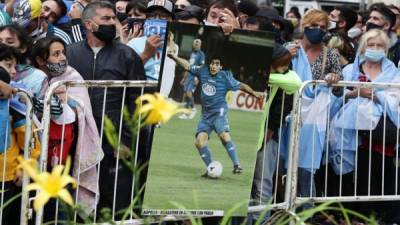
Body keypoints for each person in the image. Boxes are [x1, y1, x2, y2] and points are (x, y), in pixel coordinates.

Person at [65, 1, 146, 215]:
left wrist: (127, 141)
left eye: (113, 18)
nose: (112, 23)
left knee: (113, 207)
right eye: (106, 19)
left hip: (115, 144)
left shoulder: (127, 55)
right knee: (77, 206)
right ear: (89, 24)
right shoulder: (69, 54)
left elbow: (138, 103)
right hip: (76, 142)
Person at [330, 29, 400, 224]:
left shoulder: (393, 73)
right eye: (371, 45)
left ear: (386, 49)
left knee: (372, 176)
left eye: (379, 46)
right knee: (348, 176)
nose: (375, 49)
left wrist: (375, 95)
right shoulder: (349, 70)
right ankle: (345, 215)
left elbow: (395, 101)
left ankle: (366, 215)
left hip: (378, 135)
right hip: (348, 132)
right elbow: (335, 99)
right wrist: (353, 95)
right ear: (363, 46)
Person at [32, 36, 103, 218]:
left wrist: (66, 100)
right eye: (56, 54)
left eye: (63, 53)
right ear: (40, 60)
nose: (62, 58)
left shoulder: (72, 77)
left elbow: (81, 108)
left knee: (58, 203)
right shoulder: (33, 79)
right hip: (33, 151)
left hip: (62, 151)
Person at [168, 52, 263, 175]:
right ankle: (211, 168)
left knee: (223, 135)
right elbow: (187, 65)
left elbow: (242, 86)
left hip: (219, 112)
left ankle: (237, 165)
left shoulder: (225, 77)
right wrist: (174, 57)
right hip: (206, 116)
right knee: (199, 143)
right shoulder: (202, 71)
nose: (214, 66)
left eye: (217, 64)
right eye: (212, 63)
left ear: (221, 66)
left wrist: (254, 94)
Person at [289, 9, 342, 200]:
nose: (318, 30)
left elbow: (339, 90)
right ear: (304, 26)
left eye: (323, 27)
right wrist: (284, 54)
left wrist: (335, 80)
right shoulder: (290, 49)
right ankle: (281, 208)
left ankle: (306, 211)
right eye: (314, 26)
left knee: (306, 167)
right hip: (287, 113)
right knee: (282, 164)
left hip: (314, 120)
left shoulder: (332, 55)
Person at [248, 45, 302, 224]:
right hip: (247, 134)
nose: (287, 67)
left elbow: (295, 83)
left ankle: (261, 222)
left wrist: (268, 78)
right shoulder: (256, 73)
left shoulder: (284, 76)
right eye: (283, 64)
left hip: (268, 135)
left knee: (262, 183)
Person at [0, 43, 40, 225]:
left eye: (15, 66)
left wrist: (25, 167)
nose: (14, 72)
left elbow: (30, 141)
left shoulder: (17, 99)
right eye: (8, 65)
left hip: (6, 175)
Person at [126, 0, 173, 81]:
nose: (157, 19)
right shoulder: (133, 44)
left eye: (163, 16)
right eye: (151, 16)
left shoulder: (175, 47)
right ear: (146, 18)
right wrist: (145, 54)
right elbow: (123, 73)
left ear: (172, 20)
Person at [179, 39, 204, 119]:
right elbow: (188, 66)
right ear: (193, 45)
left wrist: (197, 77)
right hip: (189, 76)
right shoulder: (192, 54)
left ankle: (193, 109)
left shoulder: (201, 54)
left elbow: (201, 67)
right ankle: (186, 113)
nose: (196, 45)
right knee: (186, 94)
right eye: (195, 44)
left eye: (198, 44)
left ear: (200, 45)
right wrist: (184, 78)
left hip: (194, 76)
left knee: (189, 93)